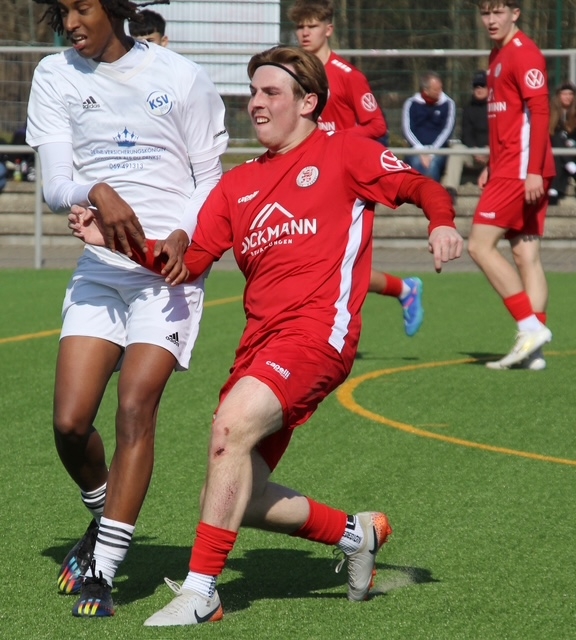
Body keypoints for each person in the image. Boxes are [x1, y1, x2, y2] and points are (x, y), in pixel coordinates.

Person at [71, 45, 463, 626]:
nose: (255, 102)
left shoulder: (347, 151)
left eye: (270, 92)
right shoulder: (239, 184)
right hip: (260, 346)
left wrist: (442, 223)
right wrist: (114, 241)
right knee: (237, 496)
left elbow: (421, 187)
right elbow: (188, 263)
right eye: (253, 91)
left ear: (308, 102)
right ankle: (355, 534)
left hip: (318, 338)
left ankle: (202, 593)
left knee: (229, 428)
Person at [27, 0, 228, 617]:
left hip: (166, 274)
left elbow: (210, 176)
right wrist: (96, 190)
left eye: (82, 7)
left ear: (112, 8)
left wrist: (184, 234)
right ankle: (104, 516)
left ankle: (103, 573)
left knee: (136, 408)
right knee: (70, 425)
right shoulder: (54, 74)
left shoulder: (180, 75)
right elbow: (55, 182)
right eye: (62, 11)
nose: (71, 23)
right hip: (101, 271)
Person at [288, 0, 425, 337]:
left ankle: (324, 331)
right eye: (301, 26)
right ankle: (403, 290)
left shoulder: (348, 76)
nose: (305, 32)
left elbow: (377, 125)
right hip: (307, 176)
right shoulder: (294, 75)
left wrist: (336, 139)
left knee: (333, 263)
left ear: (328, 29)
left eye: (312, 26)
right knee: (313, 259)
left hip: (343, 178)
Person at [467, 0, 555, 371]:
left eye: (498, 12)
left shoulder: (524, 53)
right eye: (485, 13)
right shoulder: (496, 54)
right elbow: (506, 116)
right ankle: (533, 352)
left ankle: (529, 327)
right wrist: (492, 161)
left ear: (515, 13)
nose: (491, 20)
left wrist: (532, 170)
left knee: (479, 245)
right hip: (510, 166)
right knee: (525, 254)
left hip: (521, 169)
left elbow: (541, 112)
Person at [443, 70, 489, 204]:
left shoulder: (497, 107)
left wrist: (489, 150)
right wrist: (475, 151)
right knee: (456, 149)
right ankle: (450, 191)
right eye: (476, 86)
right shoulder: (468, 109)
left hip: (492, 153)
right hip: (473, 153)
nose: (479, 89)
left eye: (482, 86)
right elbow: (466, 134)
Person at [402, 70, 456, 183]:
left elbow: (447, 130)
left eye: (441, 88)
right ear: (425, 90)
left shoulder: (448, 104)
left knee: (432, 165)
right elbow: (407, 130)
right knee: (417, 163)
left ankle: (430, 191)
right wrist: (420, 150)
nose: (440, 92)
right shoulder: (411, 103)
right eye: (436, 89)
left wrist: (431, 152)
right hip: (416, 149)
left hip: (439, 149)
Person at [547, 82, 576, 205]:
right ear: (559, 96)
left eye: (570, 94)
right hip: (557, 150)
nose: (568, 97)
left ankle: (553, 190)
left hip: (573, 149)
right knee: (557, 138)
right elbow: (550, 134)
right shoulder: (551, 112)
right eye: (564, 94)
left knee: (560, 153)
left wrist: (572, 141)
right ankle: (570, 165)